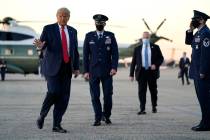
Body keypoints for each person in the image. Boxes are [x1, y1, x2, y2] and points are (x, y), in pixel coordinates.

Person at [33, 7, 80, 133]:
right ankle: (42, 115)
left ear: (69, 17)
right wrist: (40, 45)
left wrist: (76, 68)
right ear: (57, 16)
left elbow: (74, 51)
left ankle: (56, 125)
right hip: (52, 67)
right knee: (53, 92)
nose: (63, 18)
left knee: (64, 97)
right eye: (61, 16)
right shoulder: (48, 29)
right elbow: (43, 44)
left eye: (66, 16)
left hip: (67, 67)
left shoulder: (73, 31)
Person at [83, 14, 119, 126]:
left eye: (101, 23)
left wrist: (114, 67)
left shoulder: (110, 36)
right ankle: (97, 118)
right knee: (95, 96)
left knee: (108, 95)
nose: (99, 24)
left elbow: (115, 53)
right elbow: (85, 55)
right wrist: (86, 71)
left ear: (104, 24)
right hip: (93, 71)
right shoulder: (89, 36)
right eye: (97, 23)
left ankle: (106, 116)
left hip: (107, 71)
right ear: (95, 23)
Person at [185, 10, 210, 131]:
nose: (193, 21)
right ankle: (205, 121)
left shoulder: (206, 33)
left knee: (205, 98)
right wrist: (190, 31)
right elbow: (188, 42)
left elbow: (206, 55)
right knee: (201, 98)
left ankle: (206, 123)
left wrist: (203, 71)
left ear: (202, 20)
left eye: (195, 19)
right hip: (196, 70)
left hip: (202, 72)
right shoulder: (198, 33)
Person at [129, 31, 164, 115]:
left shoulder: (155, 47)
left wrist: (156, 65)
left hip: (152, 72)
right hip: (141, 72)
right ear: (142, 38)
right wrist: (131, 74)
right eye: (144, 37)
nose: (145, 39)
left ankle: (154, 106)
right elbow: (133, 62)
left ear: (149, 38)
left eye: (147, 37)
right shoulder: (137, 49)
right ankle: (142, 109)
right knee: (141, 91)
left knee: (153, 91)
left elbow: (161, 58)